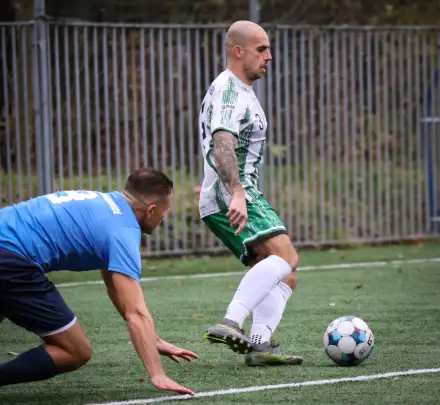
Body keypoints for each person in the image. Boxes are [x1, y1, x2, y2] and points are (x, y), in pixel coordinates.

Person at [0, 167, 197, 395]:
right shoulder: (123, 231)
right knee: (75, 350)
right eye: (165, 210)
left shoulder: (104, 203)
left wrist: (153, 339)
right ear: (151, 210)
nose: (164, 217)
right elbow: (136, 312)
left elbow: (115, 285)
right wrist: (157, 373)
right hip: (10, 259)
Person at [198, 20, 304, 367]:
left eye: (269, 49)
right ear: (237, 51)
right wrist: (237, 193)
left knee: (283, 272)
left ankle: (259, 345)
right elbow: (222, 143)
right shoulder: (229, 90)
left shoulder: (240, 89)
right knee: (286, 257)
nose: (269, 56)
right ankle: (230, 323)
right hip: (232, 193)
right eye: (261, 49)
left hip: (234, 191)